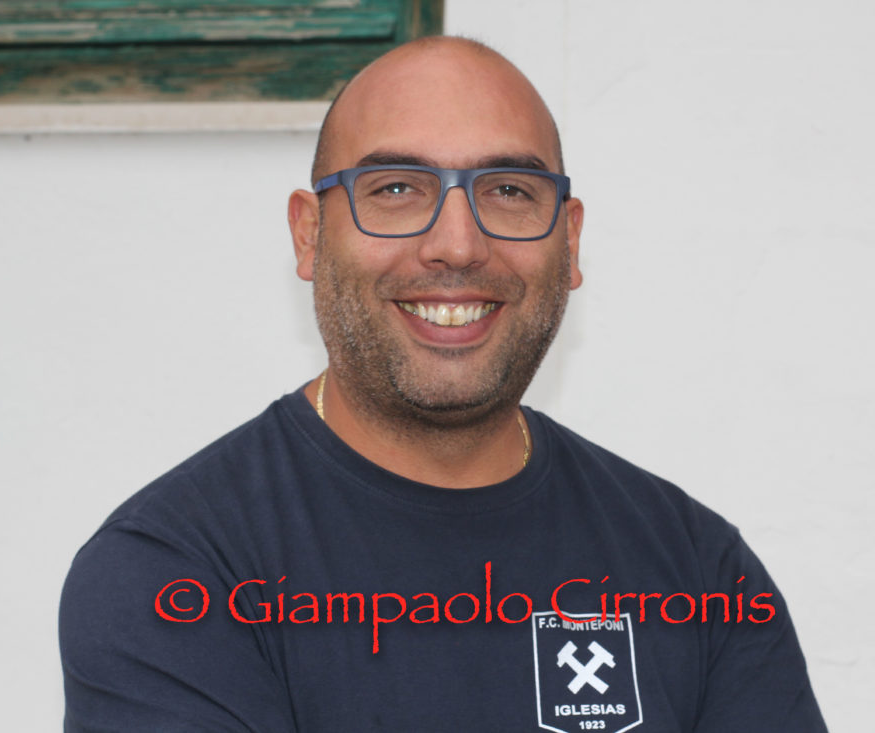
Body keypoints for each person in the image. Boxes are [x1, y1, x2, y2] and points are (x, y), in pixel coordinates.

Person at [60, 36, 827, 732]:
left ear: (569, 241)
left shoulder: (697, 568)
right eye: (397, 188)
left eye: (508, 191)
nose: (457, 244)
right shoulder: (175, 573)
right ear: (309, 233)